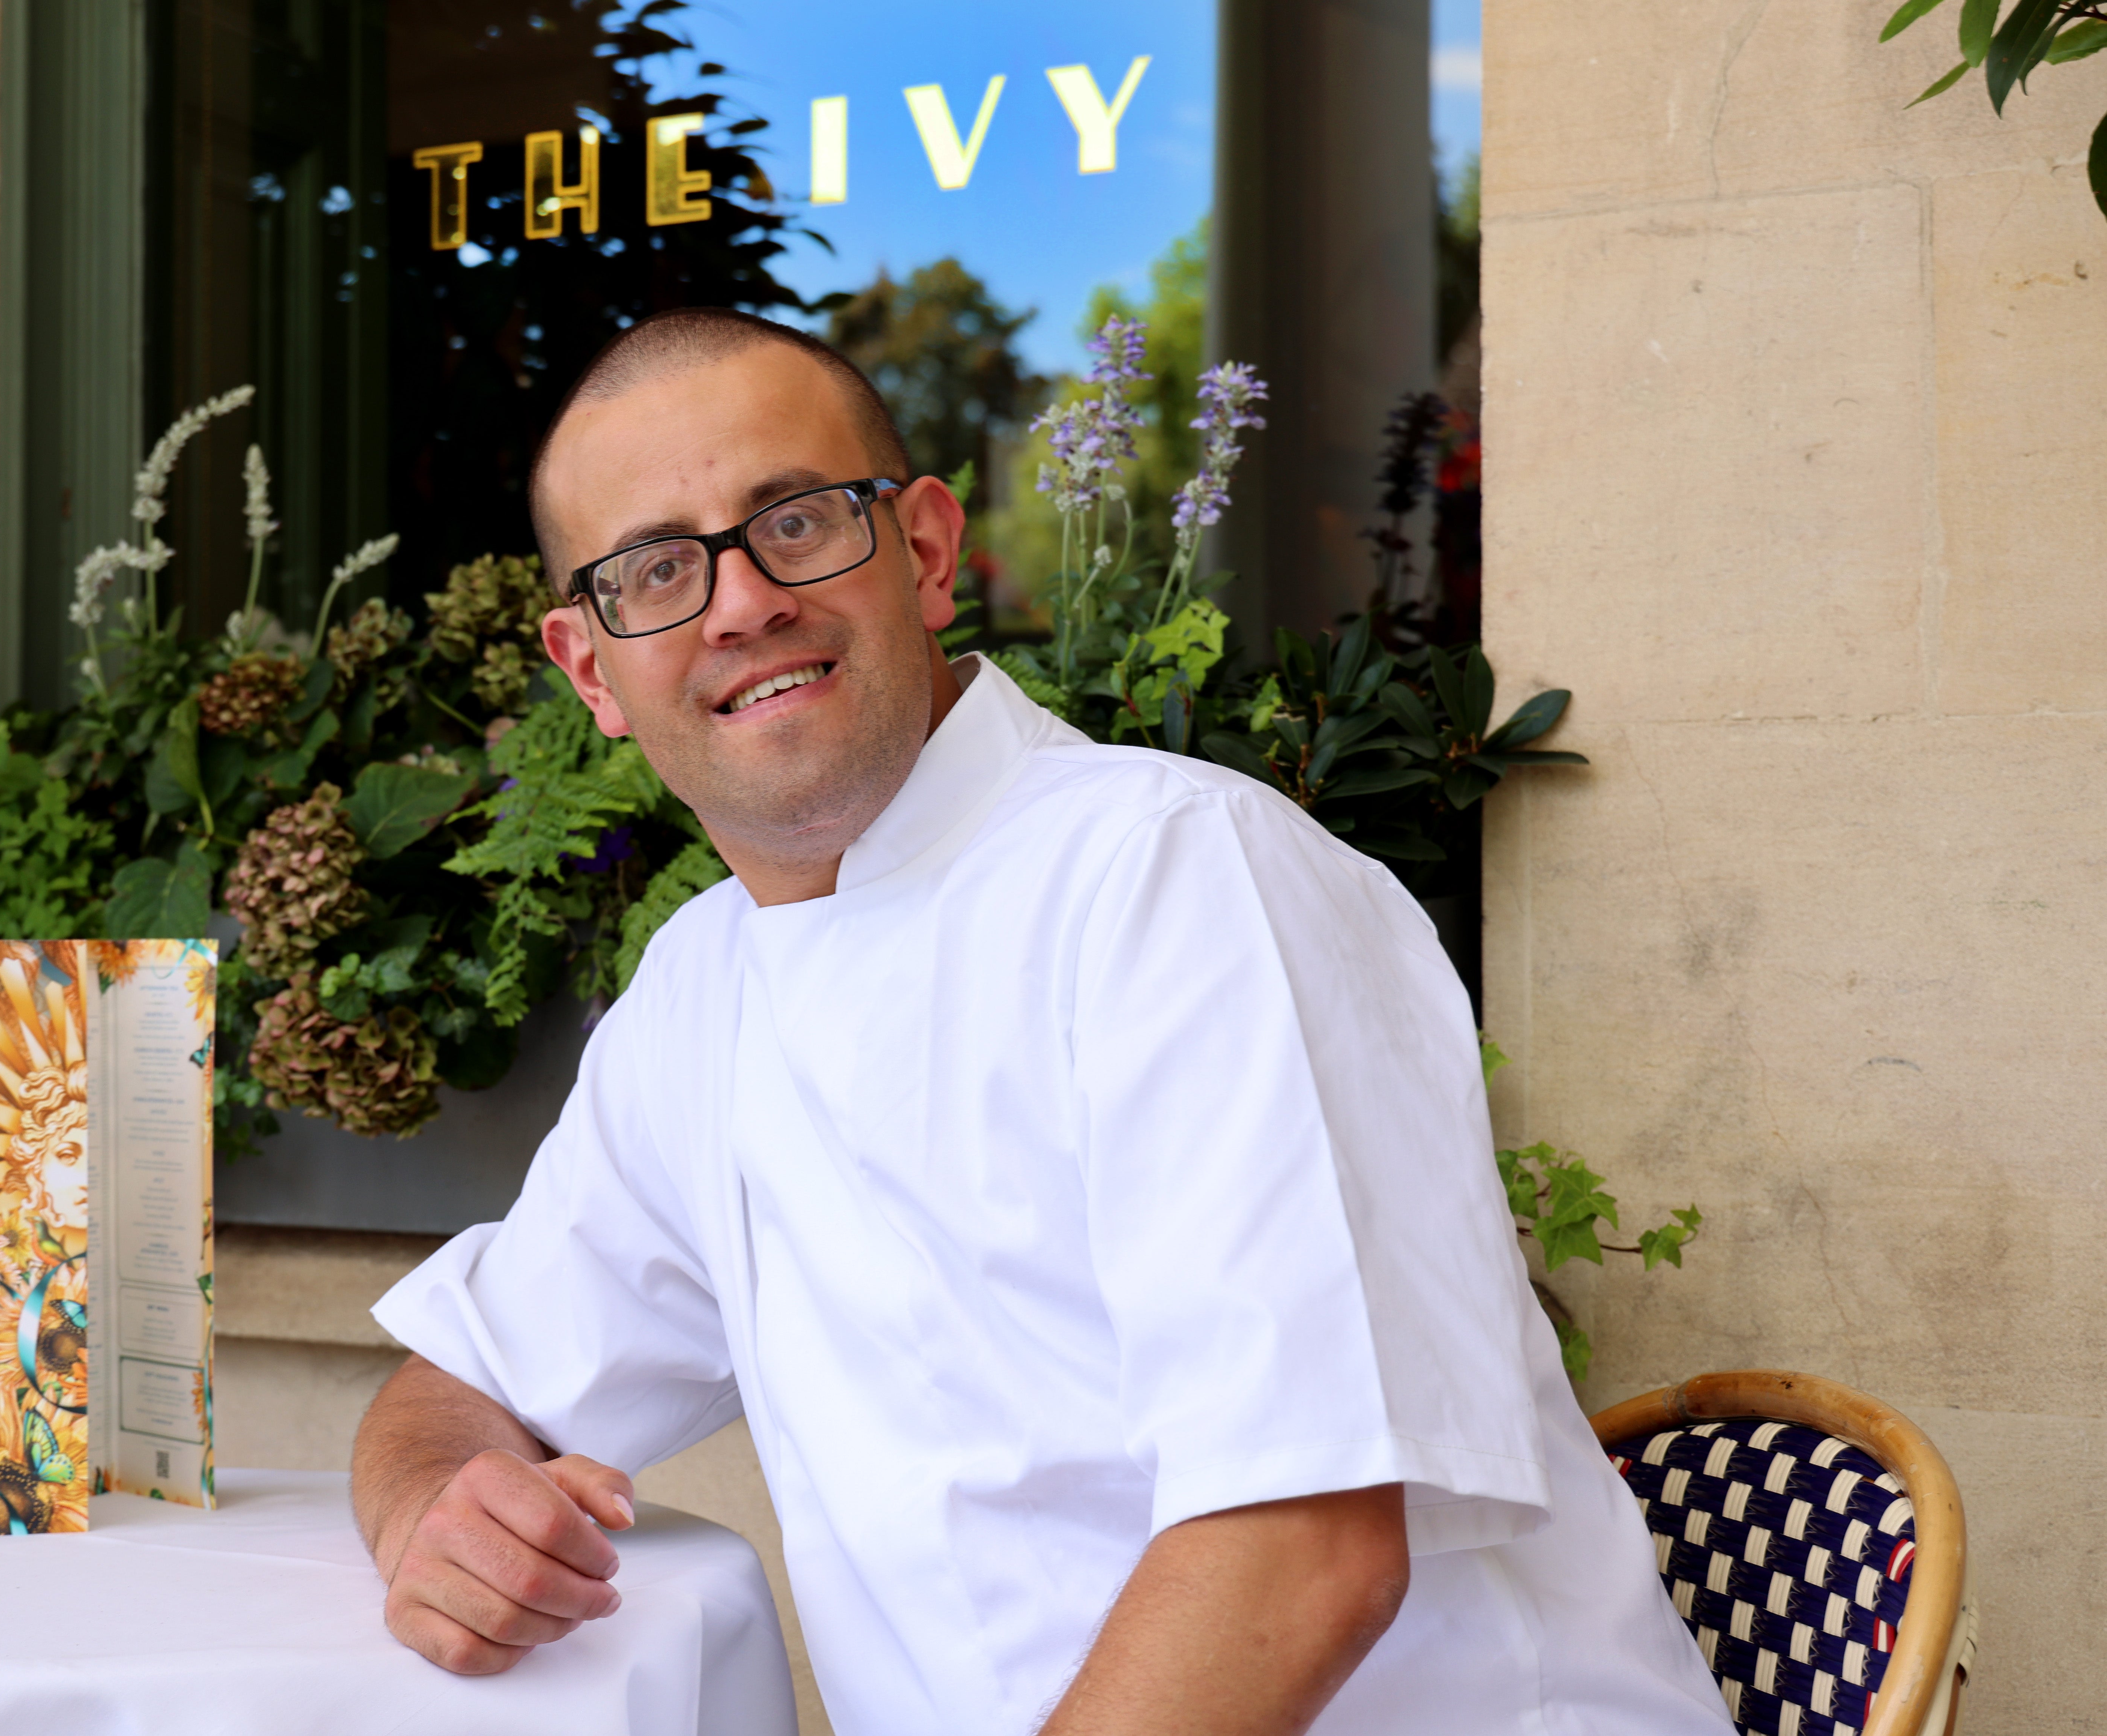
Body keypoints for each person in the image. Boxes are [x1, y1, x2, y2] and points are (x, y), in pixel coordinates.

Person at [350, 308, 1731, 1736]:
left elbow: (1305, 1553)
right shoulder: (702, 989)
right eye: (656, 570)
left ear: (929, 552)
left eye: (800, 522)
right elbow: (460, 1387)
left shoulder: (1180, 880)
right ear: (594, 675)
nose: (742, 602)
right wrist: (436, 1519)